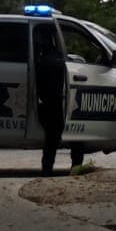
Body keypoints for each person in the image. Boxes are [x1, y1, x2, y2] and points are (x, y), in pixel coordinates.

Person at [33, 25, 66, 175]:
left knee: (53, 135)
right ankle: (48, 169)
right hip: (53, 101)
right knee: (55, 134)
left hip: (46, 100)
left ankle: (47, 168)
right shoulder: (56, 57)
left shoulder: (42, 57)